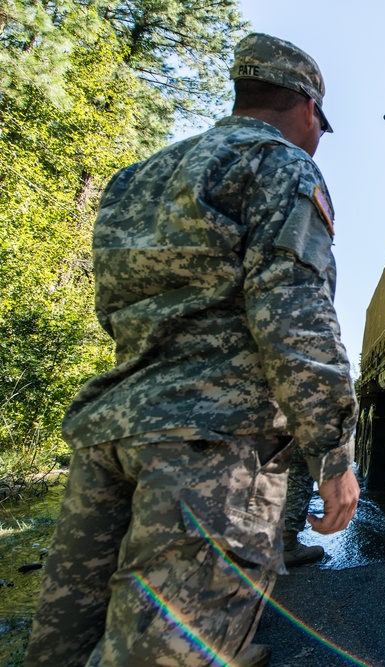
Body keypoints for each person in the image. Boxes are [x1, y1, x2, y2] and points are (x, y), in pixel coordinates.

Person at [24, 32, 359, 667]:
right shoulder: (281, 166)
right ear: (308, 108)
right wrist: (333, 454)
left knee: (62, 648)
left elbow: (114, 311)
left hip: (110, 435)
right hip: (213, 455)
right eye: (320, 123)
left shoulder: (134, 181)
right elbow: (294, 316)